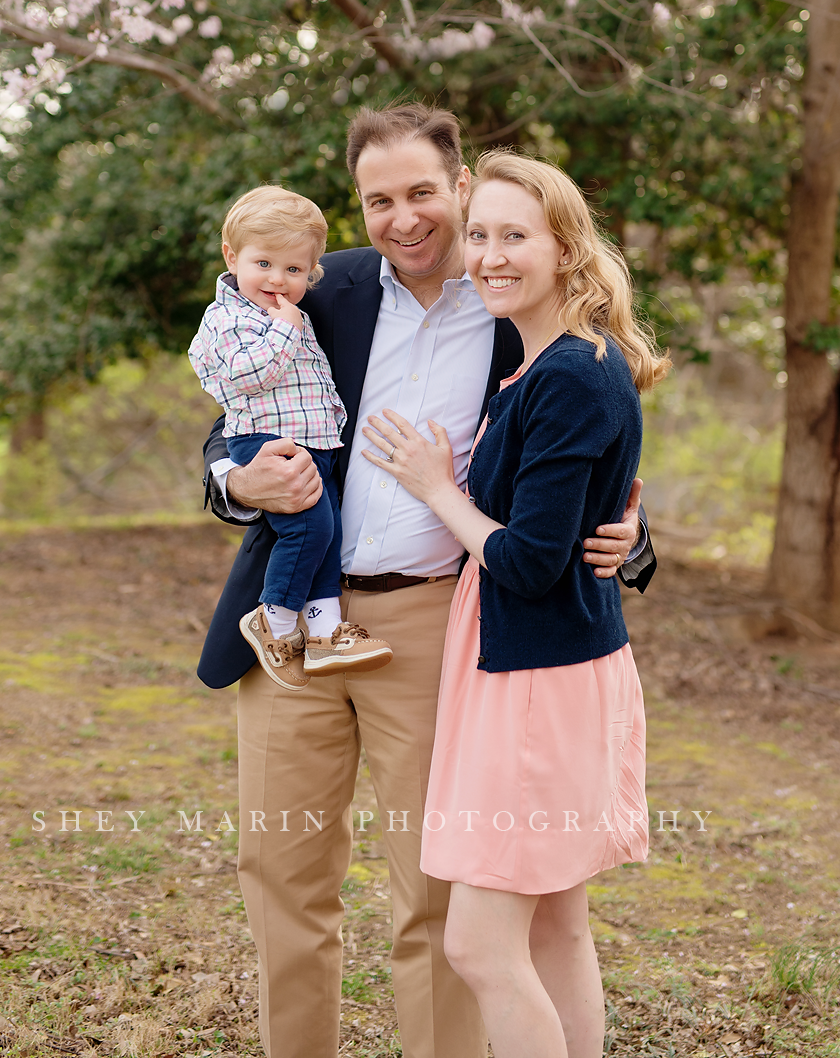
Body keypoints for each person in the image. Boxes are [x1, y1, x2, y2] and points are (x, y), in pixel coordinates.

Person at [197, 104, 657, 1058]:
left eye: (420, 194)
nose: (402, 219)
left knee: (440, 894)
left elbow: (585, 441)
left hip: (439, 629)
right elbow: (232, 411)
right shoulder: (319, 290)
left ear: (458, 188)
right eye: (377, 201)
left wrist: (629, 532)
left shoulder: (514, 302)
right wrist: (236, 481)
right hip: (295, 625)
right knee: (280, 872)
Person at [361, 149, 671, 1058]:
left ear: (566, 249)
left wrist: (433, 485)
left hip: (536, 675)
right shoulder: (546, 364)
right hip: (539, 663)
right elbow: (566, 522)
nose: (491, 255)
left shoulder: (572, 373)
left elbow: (531, 562)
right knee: (553, 928)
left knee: (479, 944)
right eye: (483, 235)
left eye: (516, 237)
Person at [189, 185, 392, 684]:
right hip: (268, 443)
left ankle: (324, 632)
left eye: (295, 270)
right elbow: (242, 379)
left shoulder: (289, 310)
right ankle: (274, 618)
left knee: (328, 534)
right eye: (264, 264)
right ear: (231, 257)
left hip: (315, 441)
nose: (278, 279)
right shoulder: (231, 318)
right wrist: (286, 328)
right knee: (310, 530)